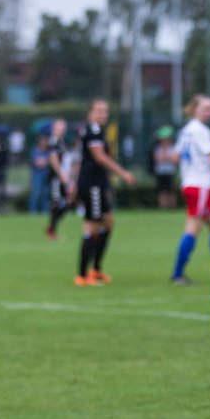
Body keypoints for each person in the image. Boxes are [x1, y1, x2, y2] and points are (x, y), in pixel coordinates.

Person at [74, 98, 136, 285]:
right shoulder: (93, 130)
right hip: (92, 184)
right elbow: (99, 157)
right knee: (91, 225)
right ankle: (82, 275)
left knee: (108, 222)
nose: (103, 114)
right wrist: (122, 172)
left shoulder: (98, 131)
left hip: (98, 183)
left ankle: (96, 269)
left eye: (105, 111)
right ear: (90, 113)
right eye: (99, 110)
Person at [171, 95, 210, 285]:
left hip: (194, 184)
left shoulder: (186, 130)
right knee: (193, 228)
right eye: (206, 108)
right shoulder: (200, 130)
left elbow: (175, 157)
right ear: (195, 109)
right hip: (199, 184)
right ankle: (177, 274)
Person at [45, 119, 73, 240]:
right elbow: (53, 160)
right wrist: (63, 176)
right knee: (57, 203)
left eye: (64, 126)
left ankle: (52, 228)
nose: (62, 128)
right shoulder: (53, 141)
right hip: (56, 178)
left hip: (63, 177)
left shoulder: (61, 142)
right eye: (60, 126)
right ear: (54, 128)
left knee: (66, 203)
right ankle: (51, 231)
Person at [153, 128, 179, 210]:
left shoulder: (173, 148)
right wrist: (168, 157)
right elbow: (157, 159)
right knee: (162, 191)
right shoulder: (158, 148)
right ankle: (163, 207)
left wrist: (165, 158)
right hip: (161, 172)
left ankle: (172, 206)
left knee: (171, 190)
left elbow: (175, 160)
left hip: (170, 172)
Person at [28, 134, 50, 214]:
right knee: (36, 194)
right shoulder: (35, 151)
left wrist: (44, 162)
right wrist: (43, 162)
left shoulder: (48, 151)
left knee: (46, 194)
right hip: (37, 175)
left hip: (46, 175)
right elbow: (35, 162)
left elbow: (49, 162)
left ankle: (45, 212)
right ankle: (32, 212)